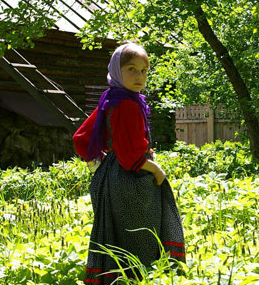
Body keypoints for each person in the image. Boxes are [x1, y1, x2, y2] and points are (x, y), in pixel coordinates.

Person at [73, 42, 185, 284]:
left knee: (118, 236)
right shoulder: (128, 103)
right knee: (142, 235)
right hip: (130, 182)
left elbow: (81, 138)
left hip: (110, 178)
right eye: (131, 69)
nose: (139, 76)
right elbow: (130, 157)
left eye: (144, 70)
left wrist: (101, 162)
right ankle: (141, 278)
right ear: (116, 70)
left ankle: (115, 278)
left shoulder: (111, 98)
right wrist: (155, 169)